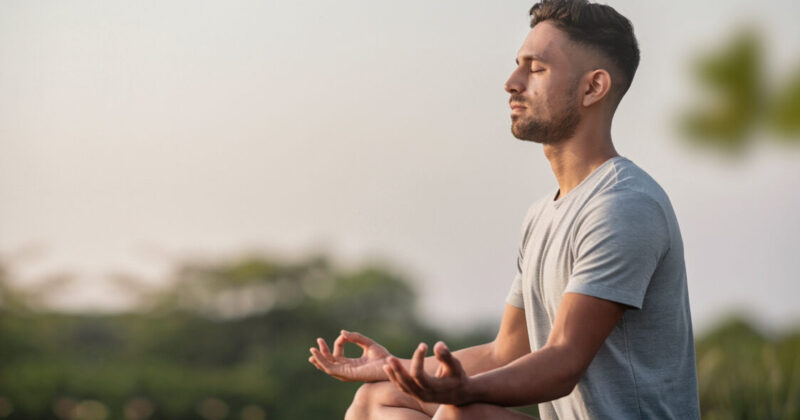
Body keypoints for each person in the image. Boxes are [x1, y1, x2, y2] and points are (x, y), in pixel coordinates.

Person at [308, 1, 701, 419]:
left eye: (536, 68)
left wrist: (463, 391)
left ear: (593, 88)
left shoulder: (623, 205)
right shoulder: (543, 215)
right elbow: (506, 352)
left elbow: (564, 361)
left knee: (463, 414)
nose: (512, 83)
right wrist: (396, 368)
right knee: (378, 398)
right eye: (518, 65)